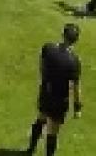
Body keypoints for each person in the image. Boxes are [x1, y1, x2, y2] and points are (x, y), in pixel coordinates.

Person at [25, 24, 83, 155]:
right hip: (60, 98)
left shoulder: (48, 48)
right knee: (52, 130)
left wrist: (45, 79)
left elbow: (42, 66)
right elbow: (76, 86)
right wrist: (77, 107)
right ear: (75, 40)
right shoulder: (74, 61)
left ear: (63, 34)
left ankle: (30, 149)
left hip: (46, 92)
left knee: (41, 118)